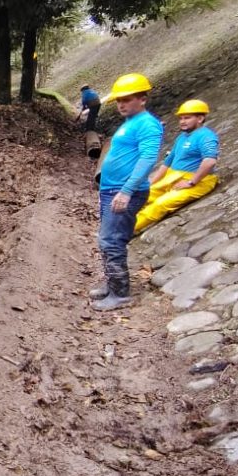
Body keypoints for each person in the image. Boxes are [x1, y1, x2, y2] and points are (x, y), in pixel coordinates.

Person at [90, 73, 163, 311]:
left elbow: (148, 157)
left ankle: (120, 294)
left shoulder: (147, 124)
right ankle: (112, 286)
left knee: (112, 240)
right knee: (106, 239)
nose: (121, 104)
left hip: (123, 192)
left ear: (142, 98)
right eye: (119, 100)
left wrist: (127, 191)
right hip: (111, 189)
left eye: (127, 99)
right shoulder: (130, 122)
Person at [134, 99, 219, 233]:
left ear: (200, 118)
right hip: (173, 176)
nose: (182, 121)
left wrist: (191, 182)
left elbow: (210, 161)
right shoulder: (182, 137)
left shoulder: (206, 136)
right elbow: (167, 163)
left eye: (187, 118)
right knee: (142, 196)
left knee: (161, 204)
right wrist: (151, 183)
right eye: (181, 118)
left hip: (198, 181)